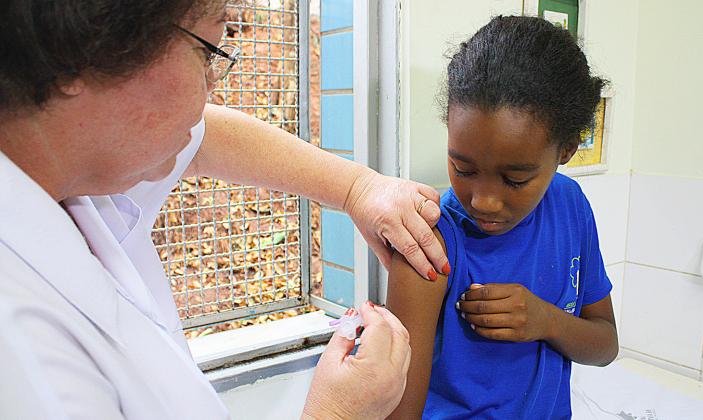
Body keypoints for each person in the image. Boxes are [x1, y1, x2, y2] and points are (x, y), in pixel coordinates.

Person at [0, 1, 449, 418]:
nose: (213, 86)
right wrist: (337, 413)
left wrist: (358, 188)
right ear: (84, 49)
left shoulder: (74, 165)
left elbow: (198, 139)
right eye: (206, 51)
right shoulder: (25, 354)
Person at [386, 15, 619, 419]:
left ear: (564, 150)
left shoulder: (571, 206)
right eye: (463, 169)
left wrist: (547, 320)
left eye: (515, 179)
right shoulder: (429, 240)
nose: (485, 202)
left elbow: (605, 346)